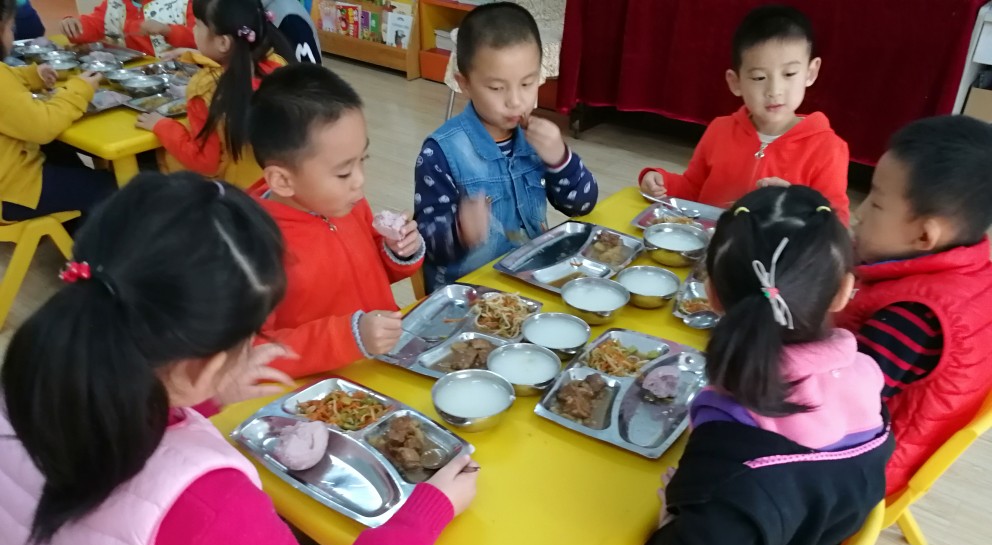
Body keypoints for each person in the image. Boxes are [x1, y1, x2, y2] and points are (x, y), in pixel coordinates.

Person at [0, 172, 473, 545]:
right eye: (251, 335)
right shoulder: (195, 495)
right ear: (197, 365)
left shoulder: (28, 385)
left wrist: (206, 392)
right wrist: (427, 510)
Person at [592, 186, 892, 545]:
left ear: (710, 294)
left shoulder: (735, 434)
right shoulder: (867, 377)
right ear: (845, 291)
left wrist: (666, 530)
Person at [836, 115, 992, 502]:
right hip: (885, 445)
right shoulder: (970, 270)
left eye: (876, 202)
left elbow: (829, 404)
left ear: (924, 234)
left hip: (850, 480)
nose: (859, 211)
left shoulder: (912, 319)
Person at [248, 64, 424, 378]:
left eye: (362, 160)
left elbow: (369, 273)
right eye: (343, 172)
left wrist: (397, 251)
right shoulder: (253, 245)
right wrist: (350, 337)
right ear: (282, 180)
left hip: (387, 367)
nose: (359, 180)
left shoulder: (347, 204)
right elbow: (254, 353)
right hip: (324, 392)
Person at [414, 2, 599, 292]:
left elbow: (582, 205)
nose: (515, 101)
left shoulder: (537, 139)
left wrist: (561, 160)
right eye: (497, 88)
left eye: (527, 84)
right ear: (464, 83)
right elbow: (425, 245)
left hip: (531, 283)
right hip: (470, 298)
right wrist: (460, 230)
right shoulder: (440, 153)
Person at [638, 5, 851, 223]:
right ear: (736, 82)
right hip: (711, 240)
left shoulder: (828, 149)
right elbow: (693, 188)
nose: (774, 90)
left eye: (789, 74)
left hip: (777, 245)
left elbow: (837, 223)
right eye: (759, 77)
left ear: (810, 72)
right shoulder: (719, 130)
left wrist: (796, 205)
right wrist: (661, 181)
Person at [136, 0, 292, 189]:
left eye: (197, 25)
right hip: (277, 187)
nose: (193, 30)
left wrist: (162, 126)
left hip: (237, 194)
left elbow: (205, 163)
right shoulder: (278, 65)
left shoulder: (206, 88)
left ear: (223, 43)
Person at [0, 0, 115, 222]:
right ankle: (94, 242)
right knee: (110, 187)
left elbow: (7, 78)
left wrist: (32, 76)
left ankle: (75, 227)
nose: (12, 35)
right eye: (10, 28)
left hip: (8, 179)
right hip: (14, 191)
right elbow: (43, 126)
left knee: (63, 155)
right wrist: (79, 89)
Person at [60, 0, 196, 58]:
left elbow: (199, 39)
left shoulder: (185, 3)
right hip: (131, 75)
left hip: (178, 79)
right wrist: (73, 25)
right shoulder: (115, 3)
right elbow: (95, 24)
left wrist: (167, 30)